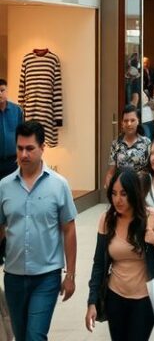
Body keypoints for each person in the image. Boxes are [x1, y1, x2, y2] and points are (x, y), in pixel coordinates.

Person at [0, 121, 76, 340]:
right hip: (13, 276)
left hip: (47, 277)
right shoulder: (4, 186)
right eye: (20, 148)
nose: (24, 154)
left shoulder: (59, 185)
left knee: (35, 336)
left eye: (30, 148)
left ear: (42, 148)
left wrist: (70, 275)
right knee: (21, 336)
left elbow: (69, 229)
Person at [85, 168, 154, 340]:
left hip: (145, 299)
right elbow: (99, 264)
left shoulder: (153, 217)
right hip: (115, 296)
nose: (117, 200)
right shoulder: (107, 220)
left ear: (134, 193)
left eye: (123, 194)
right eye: (114, 193)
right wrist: (92, 302)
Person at [105, 104, 151, 187]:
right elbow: (110, 173)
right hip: (122, 189)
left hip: (140, 189)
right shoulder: (116, 144)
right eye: (125, 121)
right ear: (122, 123)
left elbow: (151, 171)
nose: (129, 124)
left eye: (132, 120)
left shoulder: (146, 143)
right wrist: (110, 191)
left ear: (138, 121)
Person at [0, 80, 23, 181]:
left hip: (13, 161)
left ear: (7, 91)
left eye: (2, 90)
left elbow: (22, 135)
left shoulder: (17, 110)